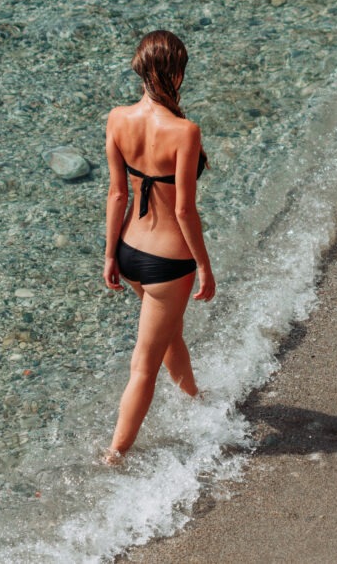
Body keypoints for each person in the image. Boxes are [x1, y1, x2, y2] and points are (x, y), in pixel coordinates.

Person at [102, 30, 215, 464]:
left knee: (168, 336)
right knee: (142, 367)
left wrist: (110, 255)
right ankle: (116, 454)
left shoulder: (117, 118)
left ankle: (195, 400)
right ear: (178, 72)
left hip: (130, 251)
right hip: (170, 261)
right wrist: (205, 266)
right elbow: (185, 210)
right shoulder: (185, 131)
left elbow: (117, 195)